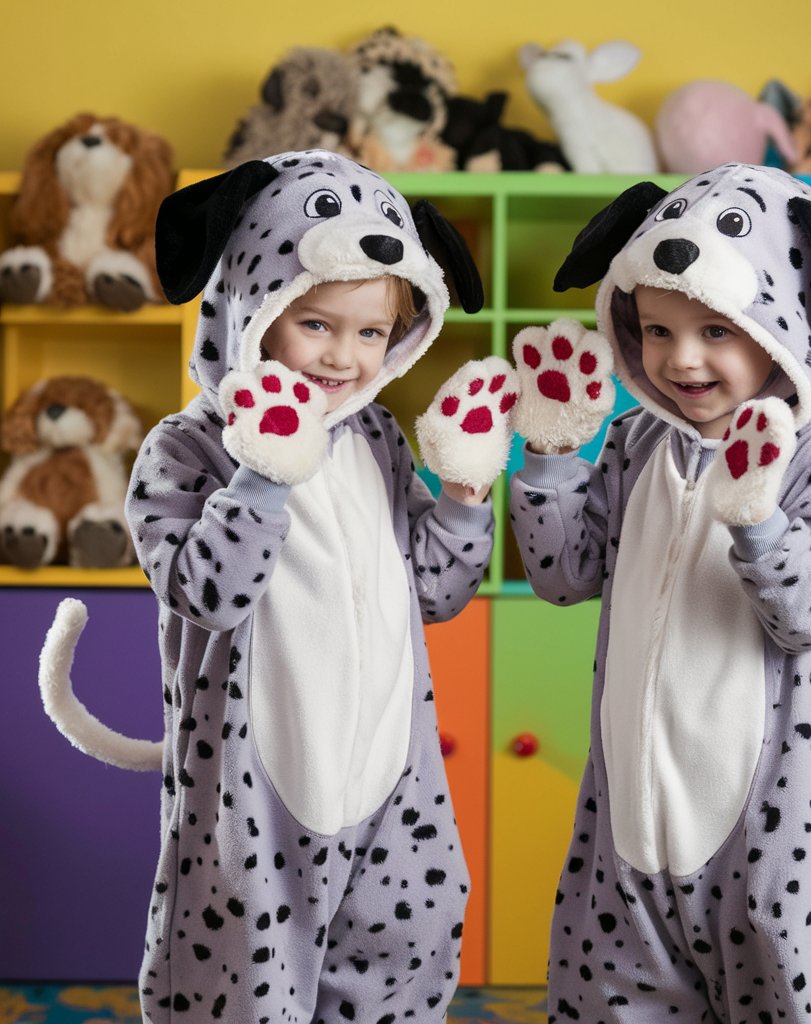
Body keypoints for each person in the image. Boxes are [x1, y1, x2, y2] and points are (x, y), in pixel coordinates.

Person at [40, 151, 516, 1024]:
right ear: (251, 306)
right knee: (237, 991)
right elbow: (206, 593)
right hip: (251, 804)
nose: (343, 357)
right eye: (316, 324)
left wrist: (463, 494)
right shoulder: (185, 448)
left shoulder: (375, 435)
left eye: (371, 332)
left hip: (392, 798)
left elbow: (438, 594)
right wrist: (263, 473)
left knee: (401, 973)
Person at [506, 163, 811, 1023]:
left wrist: (758, 520)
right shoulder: (637, 443)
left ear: (790, 324)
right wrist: (550, 456)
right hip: (628, 837)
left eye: (717, 330)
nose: (682, 358)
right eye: (656, 329)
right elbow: (563, 574)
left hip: (773, 843)